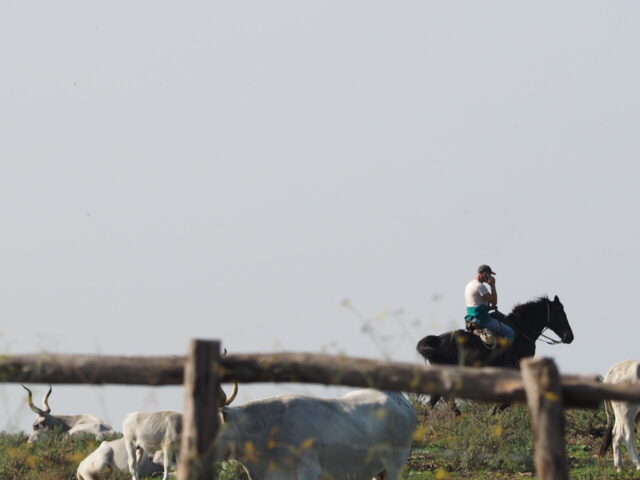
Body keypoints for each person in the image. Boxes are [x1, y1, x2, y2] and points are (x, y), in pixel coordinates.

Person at [464, 265, 516, 362]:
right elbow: (494, 301)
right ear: (484, 274)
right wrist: (492, 285)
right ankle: (505, 360)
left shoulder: (470, 284)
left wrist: (488, 307)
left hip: (471, 318)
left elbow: (475, 304)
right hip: (482, 319)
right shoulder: (480, 286)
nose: (491, 277)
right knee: (510, 333)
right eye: (489, 275)